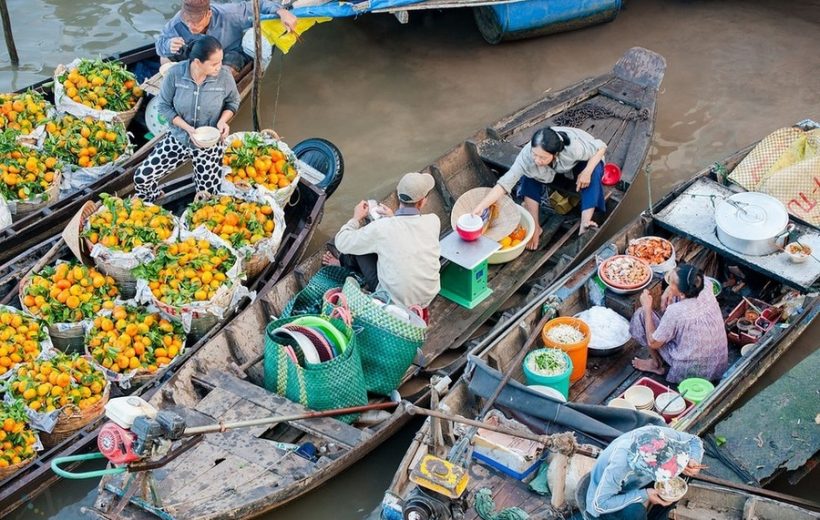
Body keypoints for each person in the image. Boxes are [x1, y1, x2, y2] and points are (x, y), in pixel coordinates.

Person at [134, 36, 239, 202]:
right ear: (197, 62)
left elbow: (233, 101)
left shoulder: (224, 77)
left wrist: (222, 121)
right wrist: (188, 129)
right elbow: (164, 106)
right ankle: (153, 200)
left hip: (209, 143)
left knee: (207, 195)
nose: (219, 67)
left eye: (220, 61)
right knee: (142, 177)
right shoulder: (175, 74)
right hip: (179, 138)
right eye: (214, 64)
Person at [323, 172, 441, 314]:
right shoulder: (434, 221)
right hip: (427, 297)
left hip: (394, 301)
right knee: (384, 244)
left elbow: (341, 242)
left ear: (398, 195)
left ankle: (342, 263)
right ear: (422, 202)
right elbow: (408, 230)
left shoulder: (382, 228)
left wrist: (356, 218)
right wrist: (392, 217)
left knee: (361, 247)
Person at [472, 127, 607, 248]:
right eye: (535, 154)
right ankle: (535, 226)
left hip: (583, 158)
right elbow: (504, 184)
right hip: (550, 169)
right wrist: (482, 206)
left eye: (542, 157)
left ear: (555, 154)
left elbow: (601, 147)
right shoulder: (527, 156)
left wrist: (587, 171)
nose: (537, 160)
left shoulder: (573, 148)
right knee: (528, 176)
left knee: (594, 173)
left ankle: (585, 222)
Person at [629, 264, 728, 383]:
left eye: (671, 284)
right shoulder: (706, 284)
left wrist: (647, 307)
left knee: (641, 315)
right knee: (672, 301)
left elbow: (653, 342)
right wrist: (667, 291)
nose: (669, 285)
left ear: (682, 293)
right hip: (715, 365)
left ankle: (656, 364)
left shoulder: (675, 312)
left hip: (689, 370)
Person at [584, 425, 706, 519]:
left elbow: (694, 440)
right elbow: (600, 505)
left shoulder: (657, 434)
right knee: (636, 513)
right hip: (607, 497)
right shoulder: (619, 467)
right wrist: (644, 494)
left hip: (637, 481)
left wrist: (693, 459)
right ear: (643, 467)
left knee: (682, 476)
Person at [156, 0, 298, 75]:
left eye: (196, 22)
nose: (191, 27)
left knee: (224, 73)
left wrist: (281, 12)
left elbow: (260, 5)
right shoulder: (176, 22)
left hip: (227, 53)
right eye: (187, 21)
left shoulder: (230, 14)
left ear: (208, 14)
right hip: (197, 55)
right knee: (165, 57)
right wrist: (168, 45)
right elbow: (160, 45)